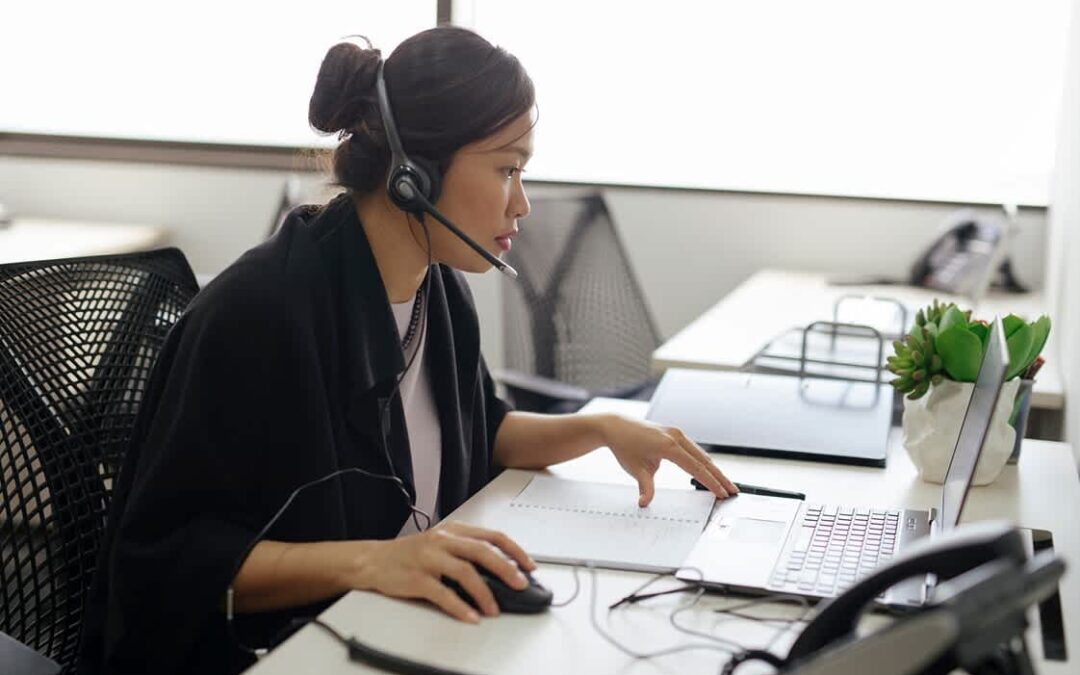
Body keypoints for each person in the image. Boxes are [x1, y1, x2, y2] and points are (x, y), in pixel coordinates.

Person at [79, 25, 737, 675]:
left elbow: (481, 429)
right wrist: (375, 561)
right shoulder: (262, 312)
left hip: (392, 626)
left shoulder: (437, 288)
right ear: (413, 176)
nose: (522, 203)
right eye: (507, 169)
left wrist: (600, 429)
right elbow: (164, 563)